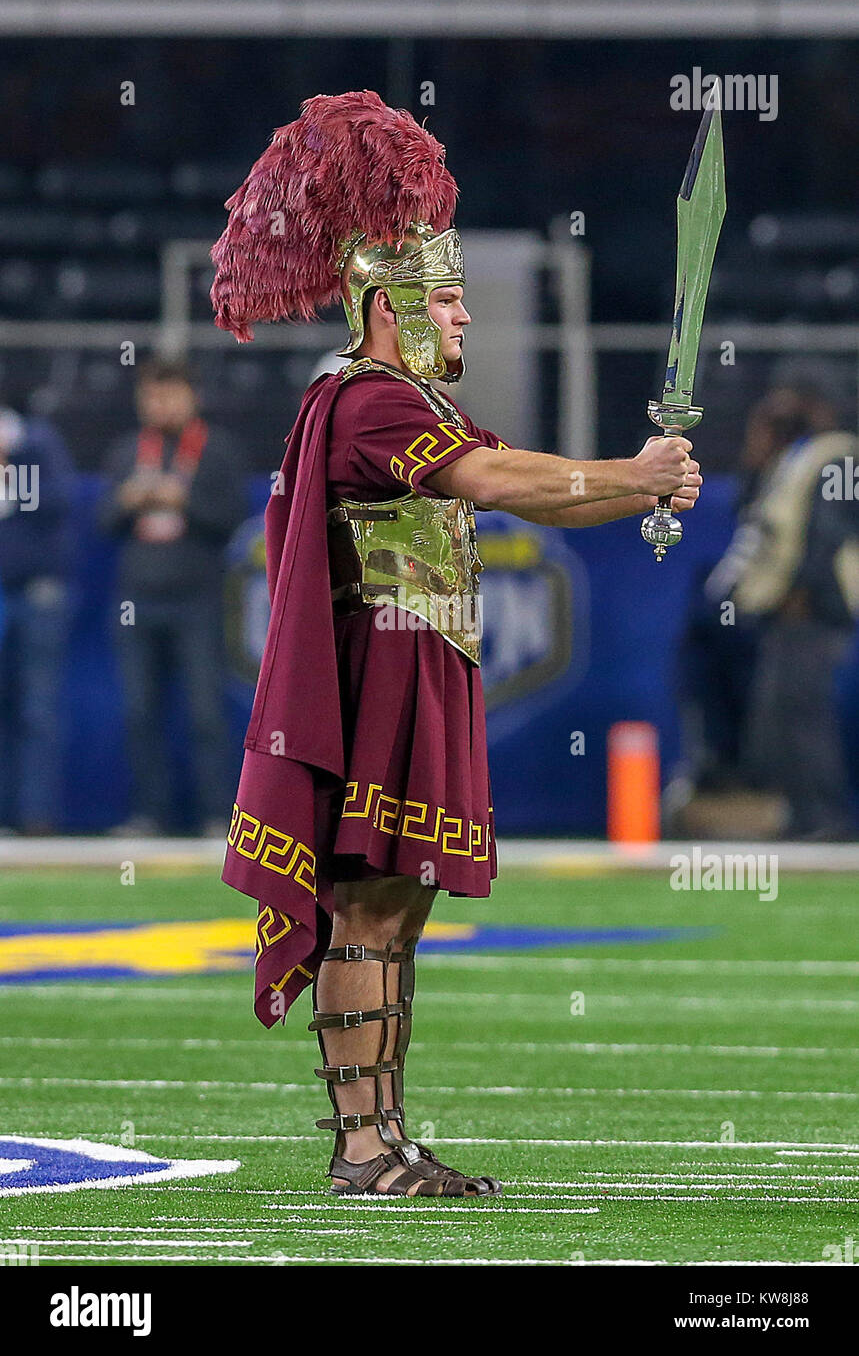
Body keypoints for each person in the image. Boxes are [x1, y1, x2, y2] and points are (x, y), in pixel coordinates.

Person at [210, 90, 701, 1198]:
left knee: (396, 905)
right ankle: (361, 1149)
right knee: (366, 905)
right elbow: (495, 478)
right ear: (387, 306)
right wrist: (634, 474)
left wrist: (636, 485)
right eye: (447, 298)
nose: (466, 319)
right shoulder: (370, 401)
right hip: (375, 678)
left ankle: (385, 1136)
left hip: (414, 672)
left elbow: (535, 492)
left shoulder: (408, 404)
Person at [99, 358, 246, 835]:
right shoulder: (126, 451)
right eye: (151, 395)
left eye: (169, 393)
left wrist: (186, 501)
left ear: (191, 395)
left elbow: (232, 520)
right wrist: (127, 500)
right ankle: (149, 815)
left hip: (197, 600)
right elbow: (102, 523)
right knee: (140, 712)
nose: (159, 404)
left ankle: (217, 815)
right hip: (135, 601)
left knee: (206, 713)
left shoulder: (217, 450)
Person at [707, 384, 859, 839]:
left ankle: (826, 820)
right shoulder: (791, 462)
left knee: (803, 714)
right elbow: (752, 515)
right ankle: (804, 814)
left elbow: (827, 532)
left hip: (814, 609)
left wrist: (804, 591)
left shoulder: (834, 456)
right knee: (781, 716)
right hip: (791, 609)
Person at [0, 404, 75, 834]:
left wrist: (13, 469)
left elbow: (59, 501)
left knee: (37, 709)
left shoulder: (36, 441)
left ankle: (34, 817)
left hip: (36, 592)